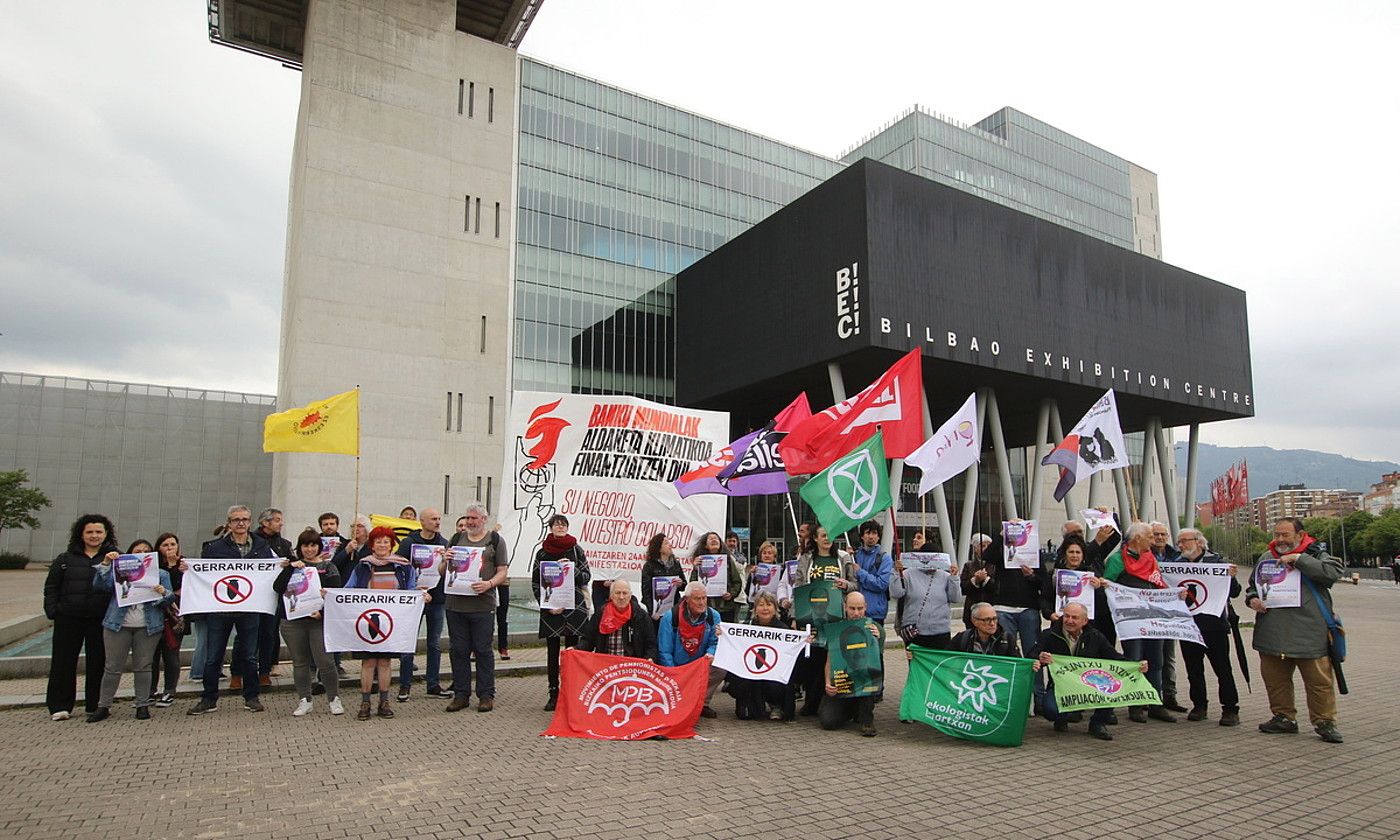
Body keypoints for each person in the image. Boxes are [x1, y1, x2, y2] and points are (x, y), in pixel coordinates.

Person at [1246, 517, 1345, 743]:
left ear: (1300, 535)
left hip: (1309, 631)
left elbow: (1332, 573)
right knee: (1275, 679)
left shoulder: (1316, 554)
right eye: (1276, 535)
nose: (1279, 540)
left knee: (1319, 682)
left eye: (1285, 535)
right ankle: (1283, 717)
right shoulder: (1266, 558)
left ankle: (1324, 721)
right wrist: (1252, 599)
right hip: (1273, 630)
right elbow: (1253, 586)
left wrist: (1299, 559)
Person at [185, 505, 278, 716]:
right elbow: (203, 574)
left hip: (250, 608)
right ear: (229, 523)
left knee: (249, 656)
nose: (241, 523)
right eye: (236, 519)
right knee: (213, 656)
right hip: (220, 609)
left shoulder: (261, 546)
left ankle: (252, 697)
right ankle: (209, 699)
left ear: (250, 521)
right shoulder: (214, 548)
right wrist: (188, 570)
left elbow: (270, 572)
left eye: (244, 519)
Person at [1030, 602, 1147, 741]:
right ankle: (1061, 717)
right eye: (1066, 616)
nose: (1069, 621)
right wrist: (1040, 659)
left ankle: (1097, 724)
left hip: (1090, 686)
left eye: (1074, 617)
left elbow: (1114, 657)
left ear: (1085, 621)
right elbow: (1031, 657)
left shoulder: (1096, 636)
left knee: (1112, 690)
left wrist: (1135, 665)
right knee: (1051, 710)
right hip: (1061, 687)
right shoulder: (1049, 635)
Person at [87, 545, 175, 721]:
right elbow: (100, 586)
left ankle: (142, 705)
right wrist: (105, 564)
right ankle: (104, 706)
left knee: (143, 666)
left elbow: (171, 598)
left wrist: (162, 593)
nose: (141, 554)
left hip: (148, 626)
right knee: (112, 667)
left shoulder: (161, 574)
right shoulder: (119, 571)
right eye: (137, 551)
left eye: (145, 551)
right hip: (118, 624)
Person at [43, 514, 115, 721]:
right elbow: (51, 587)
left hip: (99, 617)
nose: (94, 536)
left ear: (106, 534)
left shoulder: (114, 557)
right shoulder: (65, 559)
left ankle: (95, 704)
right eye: (89, 532)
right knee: (63, 661)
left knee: (98, 661)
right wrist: (53, 610)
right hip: (69, 617)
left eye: (98, 532)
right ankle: (59, 705)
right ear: (81, 534)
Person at [1103, 521, 1176, 723]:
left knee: (1156, 661)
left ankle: (1155, 703)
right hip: (1131, 621)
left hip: (1152, 619)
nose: (1154, 541)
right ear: (1137, 539)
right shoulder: (1117, 560)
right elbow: (1107, 587)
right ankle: (1135, 705)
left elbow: (1159, 583)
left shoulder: (1150, 558)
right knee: (1134, 662)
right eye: (1150, 537)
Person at [345, 526, 419, 720]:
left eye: (386, 541)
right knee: (368, 662)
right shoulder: (362, 566)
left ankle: (384, 702)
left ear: (392, 544)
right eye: (378, 541)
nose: (382, 545)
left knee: (385, 662)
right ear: (372, 544)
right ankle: (365, 702)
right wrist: (331, 595)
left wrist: (421, 596)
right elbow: (349, 589)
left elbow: (411, 590)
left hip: (390, 622)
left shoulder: (404, 567)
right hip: (367, 620)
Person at [443, 503, 509, 713]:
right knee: (458, 650)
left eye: (474, 518)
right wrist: (444, 562)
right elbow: (442, 571)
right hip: (456, 604)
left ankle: (486, 695)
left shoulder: (495, 541)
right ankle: (461, 695)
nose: (470, 522)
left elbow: (502, 571)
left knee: (483, 650)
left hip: (482, 604)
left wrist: (489, 584)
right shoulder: (455, 540)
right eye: (467, 518)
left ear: (484, 519)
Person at [273, 529, 344, 717]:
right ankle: (305, 700)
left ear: (319, 547)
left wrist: (321, 612)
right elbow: (277, 588)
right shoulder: (292, 566)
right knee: (299, 662)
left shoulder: (329, 567)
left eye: (313, 545)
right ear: (300, 547)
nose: (309, 549)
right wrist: (289, 568)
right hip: (293, 621)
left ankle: (333, 698)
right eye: (305, 545)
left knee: (325, 661)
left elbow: (335, 594)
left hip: (318, 621)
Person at [1173, 528, 1241, 726]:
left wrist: (1231, 577)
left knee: (1222, 668)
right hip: (1188, 625)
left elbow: (1235, 592)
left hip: (1214, 625)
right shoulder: (1176, 565)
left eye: (1185, 541)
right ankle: (1199, 705)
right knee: (1193, 669)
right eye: (1179, 542)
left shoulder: (1217, 562)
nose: (1181, 545)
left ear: (1199, 542)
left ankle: (1230, 709)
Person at [793, 526, 856, 716]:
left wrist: (845, 584)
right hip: (811, 616)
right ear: (815, 538)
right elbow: (798, 587)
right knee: (812, 659)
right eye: (822, 535)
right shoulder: (806, 559)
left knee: (832, 659)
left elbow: (854, 584)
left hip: (836, 616)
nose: (827, 538)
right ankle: (811, 702)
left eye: (830, 535)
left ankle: (828, 701)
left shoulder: (844, 558)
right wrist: (795, 617)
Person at [531, 514, 590, 711]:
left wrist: (570, 570)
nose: (560, 527)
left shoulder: (576, 549)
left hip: (574, 606)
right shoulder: (542, 553)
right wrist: (547, 604)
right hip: (552, 609)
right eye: (557, 524)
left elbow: (586, 576)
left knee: (572, 652)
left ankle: (570, 692)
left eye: (563, 524)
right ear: (551, 528)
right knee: (552, 652)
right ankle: (553, 694)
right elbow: (536, 582)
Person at [393, 507, 449, 702]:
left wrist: (445, 561)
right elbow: (398, 566)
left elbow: (449, 573)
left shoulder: (444, 543)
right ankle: (404, 685)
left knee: (434, 643)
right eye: (433, 519)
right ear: (423, 522)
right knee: (408, 642)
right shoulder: (409, 542)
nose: (437, 522)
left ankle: (433, 685)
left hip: (437, 599)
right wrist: (411, 587)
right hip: (413, 599)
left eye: (439, 518)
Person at [725, 591, 798, 721]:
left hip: (773, 677)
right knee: (745, 714)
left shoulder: (784, 631)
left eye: (769, 605)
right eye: (761, 605)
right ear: (755, 609)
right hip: (752, 674)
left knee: (775, 684)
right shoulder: (746, 628)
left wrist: (804, 641)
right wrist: (723, 634)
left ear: (775, 609)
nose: (765, 608)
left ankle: (776, 704)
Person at [656, 582, 724, 718]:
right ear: (687, 600)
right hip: (678, 666)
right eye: (697, 599)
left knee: (721, 668)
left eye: (704, 598)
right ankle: (680, 700)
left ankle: (702, 703)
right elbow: (664, 650)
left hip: (700, 664)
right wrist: (674, 672)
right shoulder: (671, 617)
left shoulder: (713, 616)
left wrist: (710, 654)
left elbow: (715, 642)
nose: (702, 602)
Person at [818, 591, 882, 737]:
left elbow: (878, 664)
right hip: (843, 681)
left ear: (865, 607)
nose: (856, 613)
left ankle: (867, 720)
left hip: (864, 681)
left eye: (860, 608)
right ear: (845, 607)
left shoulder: (875, 628)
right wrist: (828, 683)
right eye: (852, 608)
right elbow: (829, 660)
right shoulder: (836, 629)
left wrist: (876, 640)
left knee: (870, 679)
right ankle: (851, 709)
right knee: (828, 722)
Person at [889, 548, 962, 649]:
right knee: (916, 663)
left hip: (940, 631)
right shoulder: (907, 574)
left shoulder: (946, 576)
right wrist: (896, 573)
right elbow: (896, 594)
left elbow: (956, 598)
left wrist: (954, 578)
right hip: (915, 631)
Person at [1148, 520, 1186, 713]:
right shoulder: (1144, 555)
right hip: (1149, 612)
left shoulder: (1177, 557)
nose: (1160, 538)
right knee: (1151, 657)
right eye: (1156, 534)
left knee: (1168, 655)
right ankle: (1149, 695)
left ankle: (1170, 695)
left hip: (1170, 613)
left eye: (1163, 534)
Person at [254, 508, 293, 687]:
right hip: (252, 595)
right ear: (265, 522)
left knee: (269, 632)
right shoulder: (252, 541)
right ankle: (242, 669)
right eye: (277, 520)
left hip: (274, 595)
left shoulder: (284, 544)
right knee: (248, 633)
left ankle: (266, 668)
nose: (281, 523)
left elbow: (293, 563)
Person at [149, 532, 185, 707]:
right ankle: (150, 690)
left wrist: (176, 567)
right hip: (155, 613)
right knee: (152, 655)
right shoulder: (152, 566)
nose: (170, 548)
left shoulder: (184, 564)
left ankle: (169, 690)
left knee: (171, 654)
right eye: (165, 545)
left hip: (175, 616)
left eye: (173, 544)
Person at [579, 579, 657, 659]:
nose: (621, 597)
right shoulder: (600, 614)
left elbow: (651, 645)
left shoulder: (641, 616)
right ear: (611, 595)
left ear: (630, 595)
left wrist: (650, 658)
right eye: (617, 593)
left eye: (625, 593)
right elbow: (588, 641)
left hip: (632, 666)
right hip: (606, 665)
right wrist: (576, 649)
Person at [689, 531, 742, 623]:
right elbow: (692, 586)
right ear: (705, 545)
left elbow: (737, 582)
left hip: (726, 608)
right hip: (706, 607)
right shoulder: (699, 561)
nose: (714, 539)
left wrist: (731, 594)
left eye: (716, 538)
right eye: (710, 538)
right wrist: (695, 569)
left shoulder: (728, 561)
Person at [640, 533, 686, 624]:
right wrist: (652, 611)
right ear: (659, 548)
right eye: (666, 543)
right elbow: (646, 591)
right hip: (656, 609)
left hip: (673, 607)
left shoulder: (676, 564)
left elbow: (684, 585)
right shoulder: (649, 566)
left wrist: (681, 583)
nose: (670, 545)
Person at [949, 602, 1023, 657]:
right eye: (987, 620)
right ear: (974, 621)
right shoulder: (963, 638)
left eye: (995, 619)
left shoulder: (1007, 639)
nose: (992, 623)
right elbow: (946, 659)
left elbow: (1018, 664)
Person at [959, 533, 997, 630]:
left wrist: (986, 580)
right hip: (972, 609)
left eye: (988, 546)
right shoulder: (969, 565)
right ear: (975, 548)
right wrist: (975, 581)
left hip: (992, 608)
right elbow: (963, 588)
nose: (986, 548)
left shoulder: (996, 565)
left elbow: (998, 587)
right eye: (983, 546)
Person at [332, 515, 372, 579]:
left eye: (359, 526)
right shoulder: (344, 544)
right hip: (345, 583)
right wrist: (346, 551)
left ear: (367, 528)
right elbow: (333, 565)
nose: (355, 529)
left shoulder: (372, 546)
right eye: (353, 526)